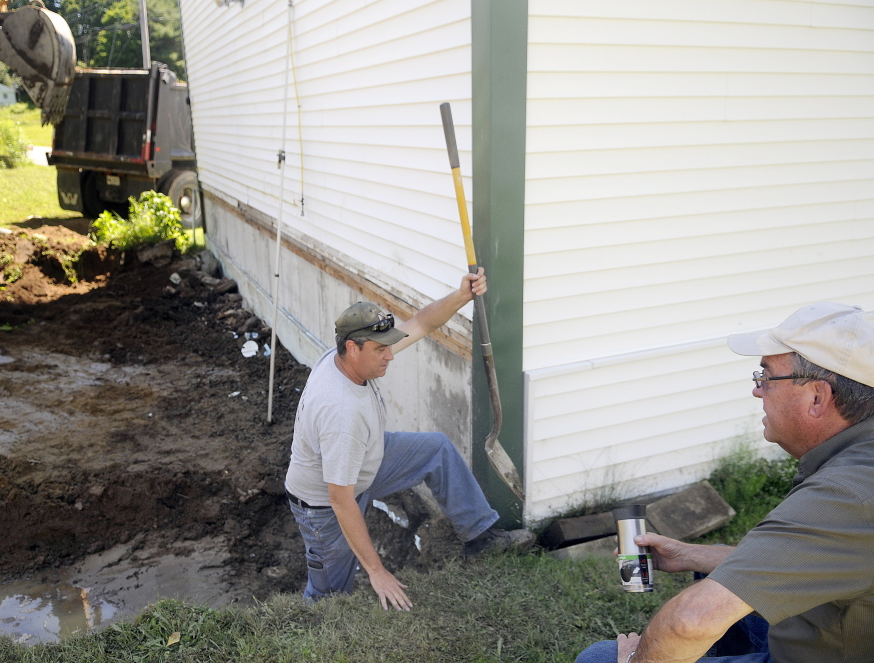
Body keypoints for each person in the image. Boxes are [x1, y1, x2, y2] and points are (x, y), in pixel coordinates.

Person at [575, 301, 874, 663]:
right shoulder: (857, 462)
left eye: (766, 377)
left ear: (817, 397)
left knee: (601, 659)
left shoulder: (845, 495)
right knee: (715, 571)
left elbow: (689, 623)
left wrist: (631, 661)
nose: (757, 390)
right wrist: (689, 554)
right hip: (831, 630)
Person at [285, 268, 535, 612]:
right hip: (324, 506)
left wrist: (462, 295)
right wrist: (377, 571)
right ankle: (307, 631)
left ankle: (482, 537)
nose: (390, 356)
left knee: (435, 449)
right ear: (352, 348)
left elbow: (421, 323)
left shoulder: (347, 355)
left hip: (362, 465)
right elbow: (340, 499)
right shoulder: (341, 412)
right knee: (329, 598)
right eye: (380, 350)